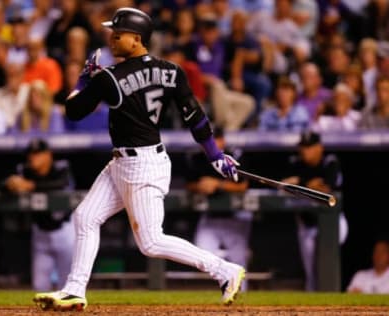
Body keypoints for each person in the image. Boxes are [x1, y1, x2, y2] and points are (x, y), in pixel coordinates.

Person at [34, 7, 245, 311]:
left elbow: (74, 110)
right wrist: (215, 155)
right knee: (85, 217)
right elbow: (195, 117)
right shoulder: (172, 70)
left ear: (137, 39)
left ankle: (225, 270)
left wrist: (82, 81)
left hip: (141, 166)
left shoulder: (111, 77)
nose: (112, 38)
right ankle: (75, 290)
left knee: (150, 242)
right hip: (129, 162)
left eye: (118, 34)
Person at [2, 138, 75, 291]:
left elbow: (61, 184)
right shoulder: (25, 170)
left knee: (67, 284)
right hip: (40, 233)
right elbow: (3, 186)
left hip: (65, 231)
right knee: (39, 286)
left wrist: (31, 186)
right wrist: (10, 183)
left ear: (48, 155)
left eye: (38, 154)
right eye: (31, 154)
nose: (33, 157)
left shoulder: (61, 168)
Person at [185, 126, 252, 290]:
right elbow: (189, 184)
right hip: (210, 218)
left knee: (239, 261)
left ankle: (242, 299)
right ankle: (225, 272)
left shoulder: (233, 156)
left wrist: (218, 184)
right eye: (207, 141)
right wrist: (200, 186)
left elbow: (243, 186)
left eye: (215, 140)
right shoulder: (197, 157)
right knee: (202, 253)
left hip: (235, 217)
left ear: (222, 140)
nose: (211, 144)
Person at [282, 131, 348, 291]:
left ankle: (334, 295)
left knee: (326, 260)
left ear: (320, 148)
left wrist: (300, 182)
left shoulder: (329, 162)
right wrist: (309, 184)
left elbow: (326, 189)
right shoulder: (296, 162)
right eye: (303, 147)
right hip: (307, 224)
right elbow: (284, 186)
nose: (305, 151)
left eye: (310, 147)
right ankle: (314, 307)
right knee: (311, 272)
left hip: (333, 221)